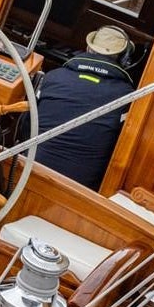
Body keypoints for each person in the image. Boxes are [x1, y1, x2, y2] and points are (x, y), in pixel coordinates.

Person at [32, 25, 136, 189]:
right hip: (81, 188)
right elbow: (120, 147)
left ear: (88, 48)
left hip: (30, 168)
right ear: (124, 60)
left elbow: (25, 124)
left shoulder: (53, 77)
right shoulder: (127, 96)